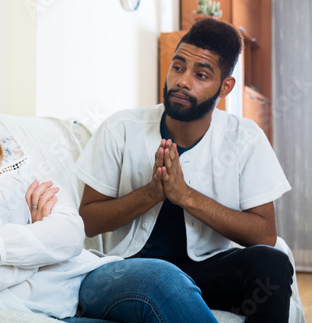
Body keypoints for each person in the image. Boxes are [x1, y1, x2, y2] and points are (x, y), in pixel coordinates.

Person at [0, 17, 218, 322]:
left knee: (165, 281)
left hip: (79, 277)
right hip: (14, 309)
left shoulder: (10, 146)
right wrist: (37, 244)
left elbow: (70, 234)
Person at [75, 18, 293, 322]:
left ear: (225, 86)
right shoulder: (121, 128)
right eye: (178, 67)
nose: (183, 81)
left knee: (272, 263)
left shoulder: (245, 138)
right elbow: (86, 222)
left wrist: (186, 196)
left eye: (201, 74)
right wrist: (151, 194)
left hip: (205, 270)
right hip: (129, 270)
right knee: (162, 277)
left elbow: (265, 234)